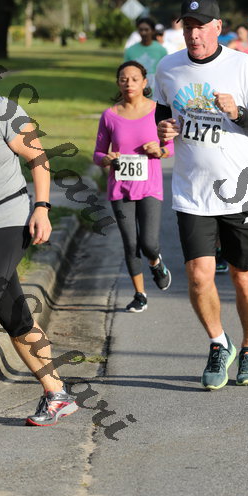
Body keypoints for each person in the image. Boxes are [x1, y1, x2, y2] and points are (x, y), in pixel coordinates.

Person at [155, 0, 248, 390]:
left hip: (237, 190)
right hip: (192, 190)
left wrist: (238, 112)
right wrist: (163, 129)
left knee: (243, 276)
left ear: (218, 27)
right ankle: (218, 342)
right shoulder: (168, 67)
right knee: (198, 276)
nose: (194, 35)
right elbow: (162, 114)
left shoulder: (242, 65)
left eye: (201, 27)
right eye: (188, 27)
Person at [0, 95, 78, 426]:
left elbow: (37, 157)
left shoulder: (2, 110)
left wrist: (42, 208)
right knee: (14, 317)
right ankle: (56, 393)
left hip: (8, 216)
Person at [93, 61, 174, 312]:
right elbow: (97, 154)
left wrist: (159, 150)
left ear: (145, 82)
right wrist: (106, 159)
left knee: (148, 243)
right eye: (124, 79)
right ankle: (140, 294)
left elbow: (170, 148)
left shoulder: (158, 111)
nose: (129, 83)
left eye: (135, 79)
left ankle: (156, 262)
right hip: (120, 188)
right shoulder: (109, 115)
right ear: (118, 83)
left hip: (150, 186)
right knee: (130, 243)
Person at [123, 18, 167, 96]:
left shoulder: (161, 50)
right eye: (141, 30)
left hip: (156, 94)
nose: (143, 32)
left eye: (146, 30)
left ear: (153, 31)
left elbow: (165, 72)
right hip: (136, 94)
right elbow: (125, 72)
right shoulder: (130, 50)